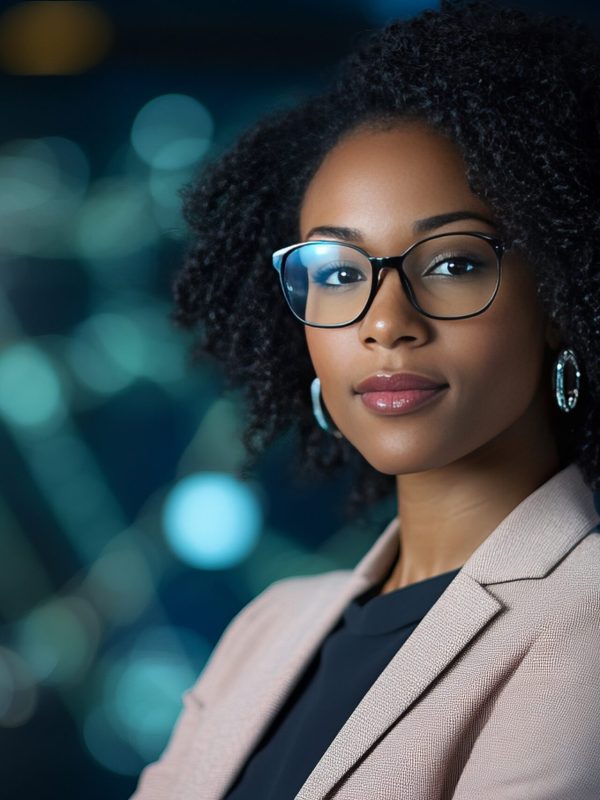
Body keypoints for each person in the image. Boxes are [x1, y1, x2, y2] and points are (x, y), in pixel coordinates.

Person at [130, 1, 600, 798]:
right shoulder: (270, 627)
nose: (386, 322)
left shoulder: (585, 621)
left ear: (558, 296)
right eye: (340, 272)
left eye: (452, 264)